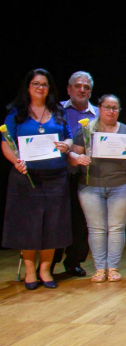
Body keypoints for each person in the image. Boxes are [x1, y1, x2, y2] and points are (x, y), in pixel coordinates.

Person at [2, 69, 73, 290]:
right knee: (28, 226)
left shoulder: (58, 112)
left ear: (49, 88)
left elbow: (69, 138)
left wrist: (66, 146)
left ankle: (45, 269)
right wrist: (16, 161)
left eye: (44, 84)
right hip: (26, 177)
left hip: (55, 177)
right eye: (35, 84)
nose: (40, 88)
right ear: (28, 87)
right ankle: (30, 271)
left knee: (52, 224)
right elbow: (6, 143)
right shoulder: (16, 114)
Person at [68, 94, 126, 282]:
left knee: (117, 227)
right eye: (107, 107)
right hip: (90, 186)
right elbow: (72, 156)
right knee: (96, 228)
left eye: (115, 108)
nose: (111, 111)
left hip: (121, 186)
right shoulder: (86, 130)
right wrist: (78, 159)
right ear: (99, 108)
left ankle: (114, 268)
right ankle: (100, 269)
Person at [54, 71, 96, 277]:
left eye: (86, 87)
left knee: (81, 222)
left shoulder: (98, 114)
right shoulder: (55, 111)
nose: (82, 90)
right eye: (78, 86)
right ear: (69, 89)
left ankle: (74, 262)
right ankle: (49, 263)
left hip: (85, 175)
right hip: (58, 174)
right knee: (56, 220)